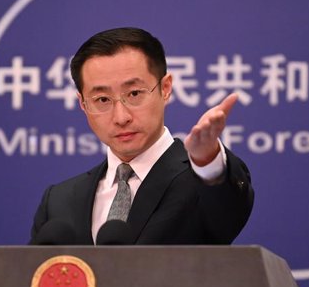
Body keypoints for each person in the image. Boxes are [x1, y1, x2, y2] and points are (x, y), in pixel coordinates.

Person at [29, 27, 254, 245]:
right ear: (83, 104)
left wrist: (207, 161)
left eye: (134, 93)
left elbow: (228, 212)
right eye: (102, 100)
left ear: (165, 88)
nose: (121, 117)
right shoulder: (59, 201)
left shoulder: (200, 181)